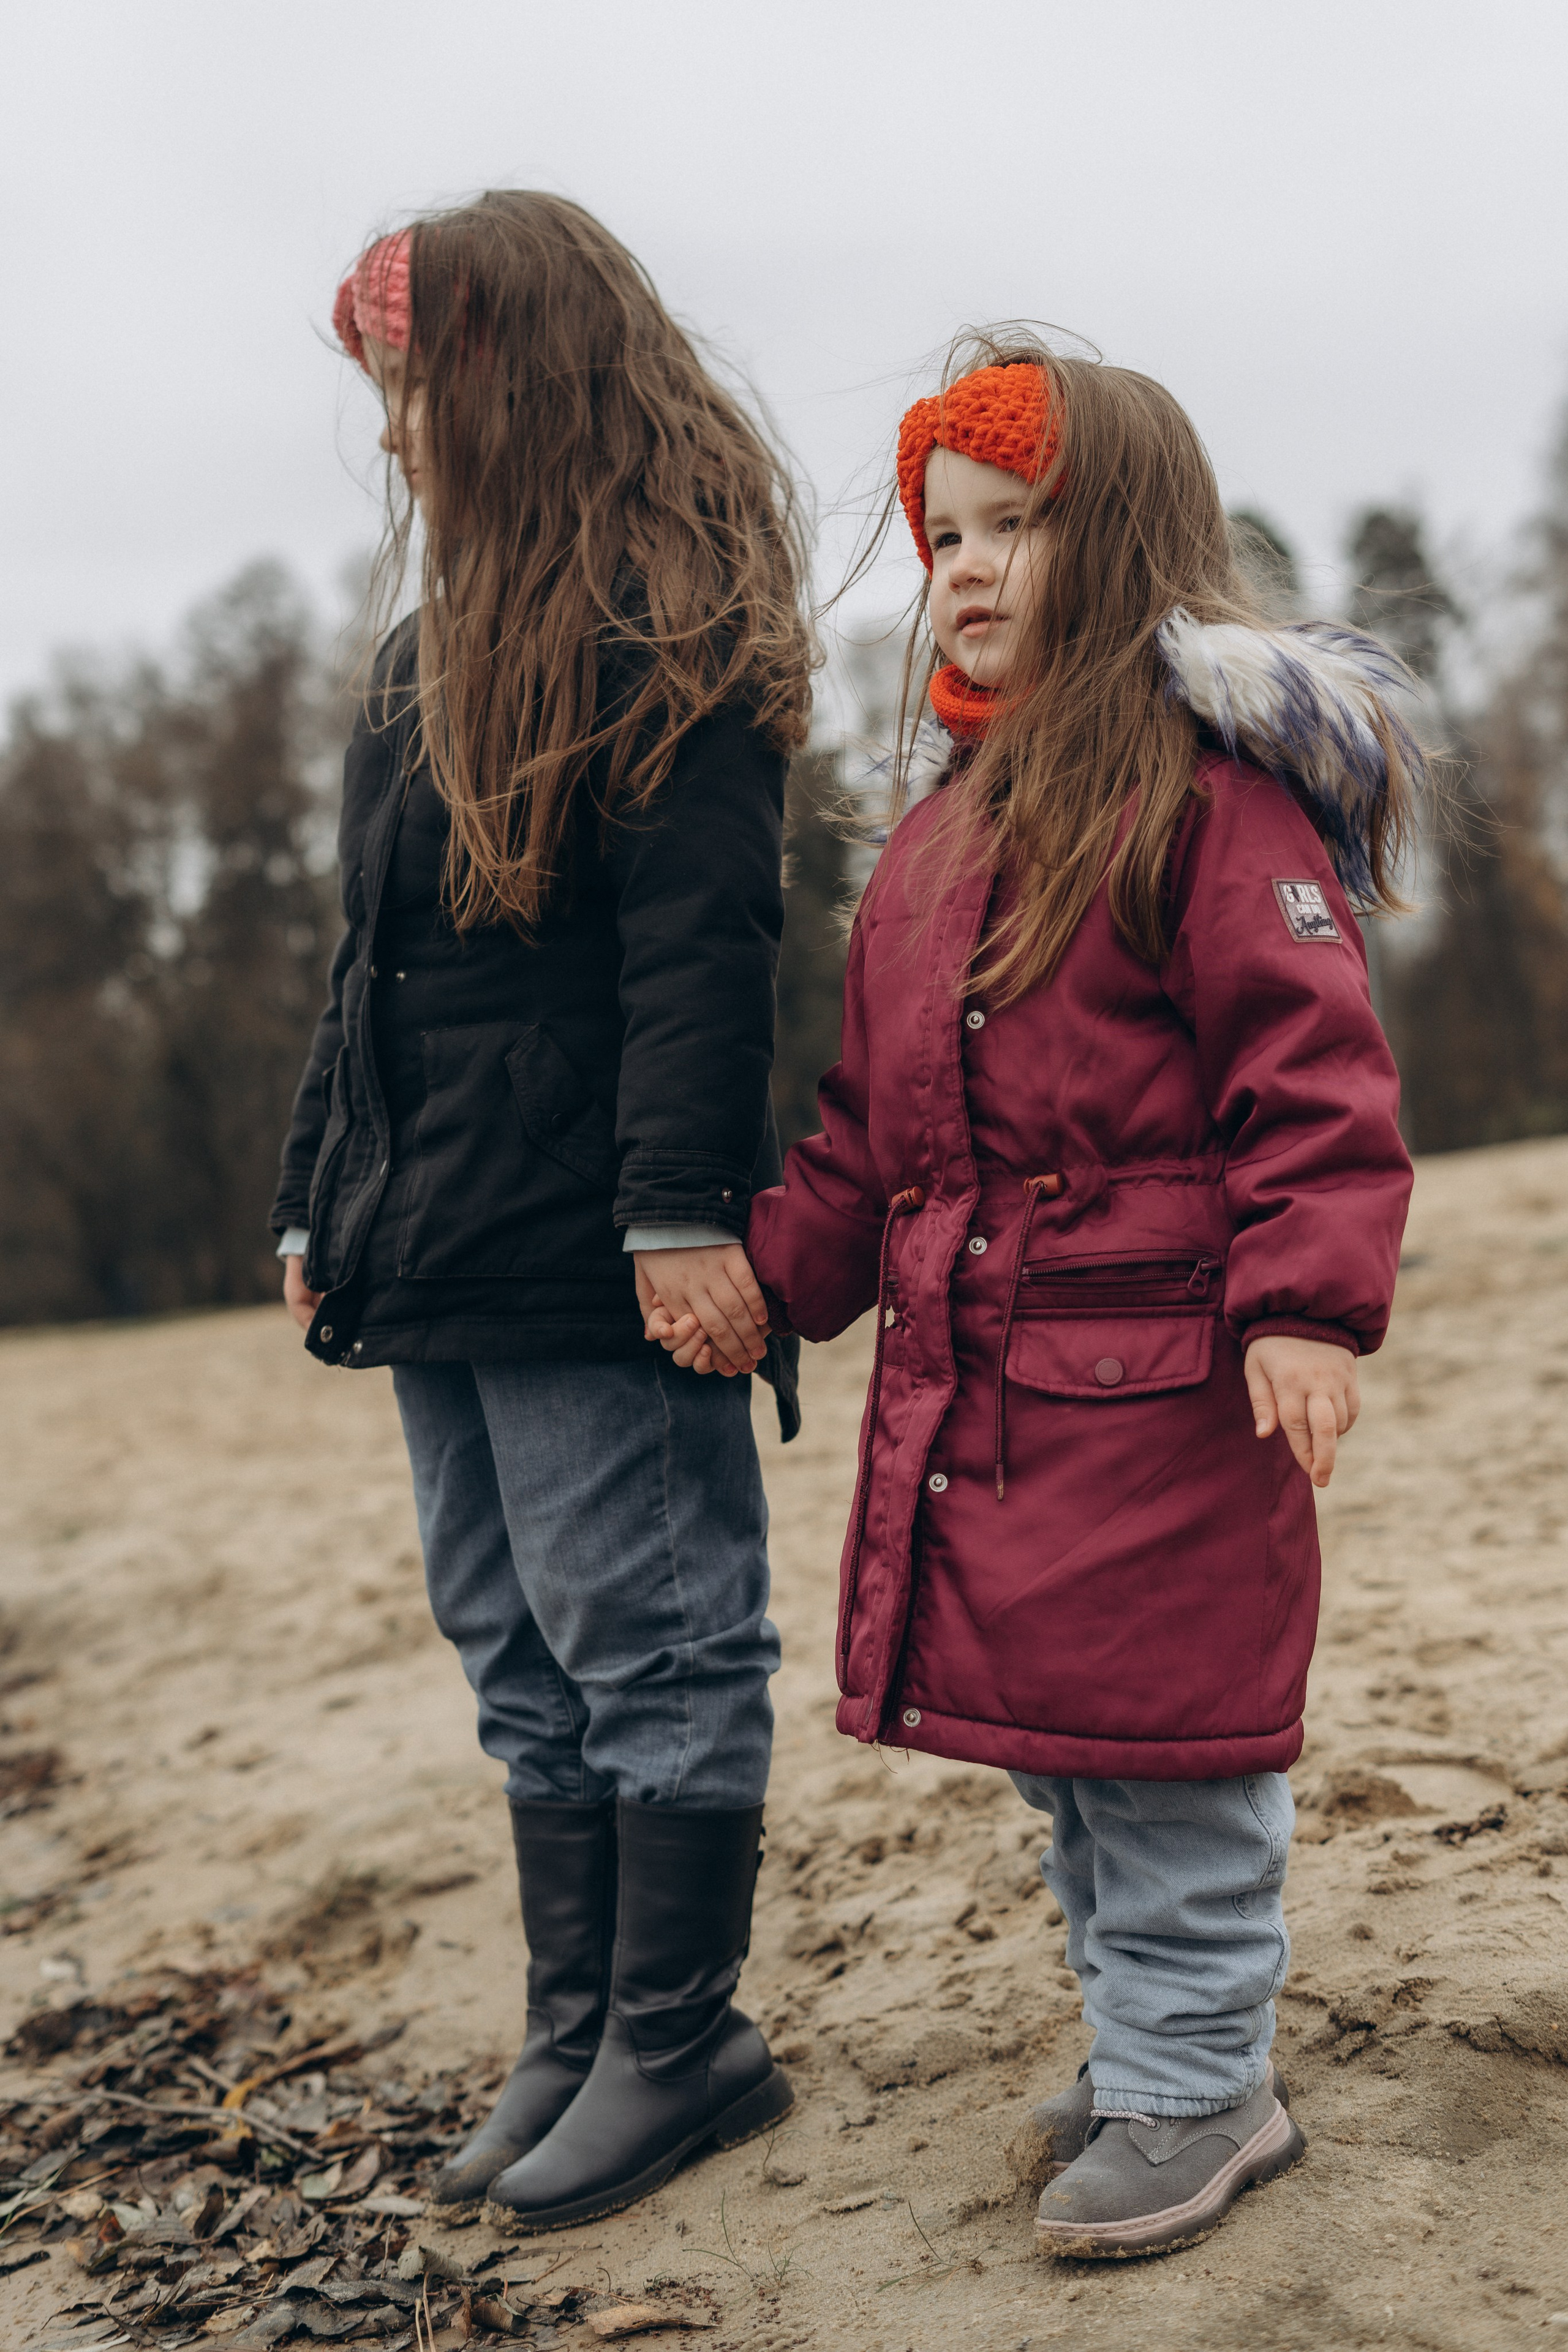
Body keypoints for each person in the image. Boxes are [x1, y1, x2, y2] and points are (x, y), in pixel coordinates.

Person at [647, 344, 1417, 2258]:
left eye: (1018, 525)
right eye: (947, 536)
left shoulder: (1207, 799)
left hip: (1157, 1390)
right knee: (1076, 1764)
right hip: (992, 1396)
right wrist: (777, 1273)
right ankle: (1163, 2044)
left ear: (1131, 536)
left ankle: (1201, 2087)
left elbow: (1313, 1081)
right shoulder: (934, 844)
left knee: (1170, 1762)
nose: (971, 566)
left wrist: (1306, 1307)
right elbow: (873, 1131)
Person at [271, 192, 810, 2230]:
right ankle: (574, 2027)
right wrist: (321, 1189)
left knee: (648, 1639)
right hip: (442, 1240)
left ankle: (684, 2045)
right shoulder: (426, 652)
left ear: (509, 384)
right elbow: (371, 970)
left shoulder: (667, 616)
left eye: (415, 396)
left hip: (600, 1246)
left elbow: (706, 955)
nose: (397, 438)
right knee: (512, 1642)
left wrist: (680, 1210)